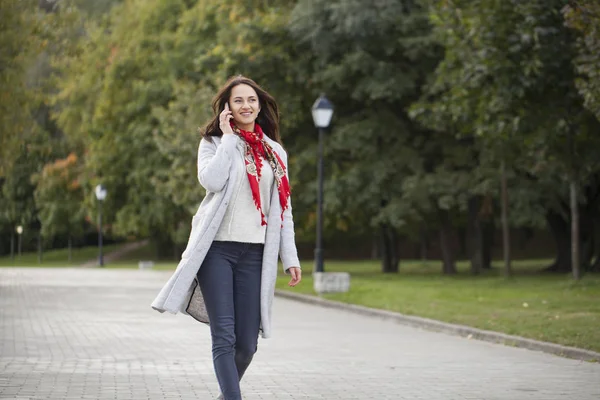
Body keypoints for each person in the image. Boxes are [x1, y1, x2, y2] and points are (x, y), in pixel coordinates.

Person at [151, 75, 302, 400]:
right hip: (216, 252)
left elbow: (284, 210)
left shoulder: (276, 154)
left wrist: (289, 257)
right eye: (238, 101)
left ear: (259, 105)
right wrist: (230, 139)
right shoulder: (214, 143)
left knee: (247, 343)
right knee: (224, 336)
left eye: (251, 99)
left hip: (256, 255)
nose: (246, 105)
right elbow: (212, 182)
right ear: (227, 109)